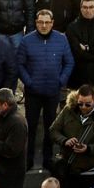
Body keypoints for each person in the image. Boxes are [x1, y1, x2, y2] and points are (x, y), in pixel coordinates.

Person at [16, 10, 73, 172]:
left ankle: (48, 158)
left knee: (51, 127)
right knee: (31, 127)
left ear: (52, 23)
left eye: (47, 22)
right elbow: (19, 64)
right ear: (36, 22)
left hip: (53, 92)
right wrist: (28, 82)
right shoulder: (26, 40)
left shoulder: (61, 39)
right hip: (33, 92)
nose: (44, 25)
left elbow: (69, 62)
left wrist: (61, 81)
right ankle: (28, 159)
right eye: (40, 22)